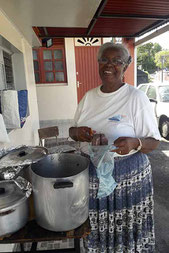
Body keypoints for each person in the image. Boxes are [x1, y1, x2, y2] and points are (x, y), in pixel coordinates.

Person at [69, 42, 161, 252]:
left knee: (128, 229)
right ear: (98, 63)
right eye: (104, 60)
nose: (109, 65)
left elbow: (154, 142)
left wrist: (134, 143)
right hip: (94, 176)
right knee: (99, 227)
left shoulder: (136, 97)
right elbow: (72, 131)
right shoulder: (88, 97)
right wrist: (77, 133)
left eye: (117, 61)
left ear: (126, 66)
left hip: (129, 178)